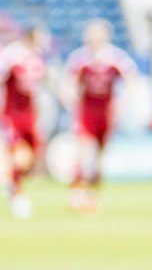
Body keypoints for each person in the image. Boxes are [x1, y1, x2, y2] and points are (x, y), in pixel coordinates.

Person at [62, 19, 139, 213]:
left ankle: (92, 194)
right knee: (81, 151)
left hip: (106, 114)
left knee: (99, 157)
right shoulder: (79, 58)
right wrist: (69, 97)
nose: (95, 39)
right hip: (86, 112)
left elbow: (132, 80)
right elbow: (68, 81)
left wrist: (122, 102)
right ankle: (76, 191)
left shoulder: (116, 58)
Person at [2, 23, 52, 219]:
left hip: (30, 114)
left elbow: (37, 87)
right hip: (11, 113)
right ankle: (16, 191)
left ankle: (12, 182)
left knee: (33, 154)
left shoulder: (37, 58)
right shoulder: (10, 55)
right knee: (17, 153)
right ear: (31, 37)